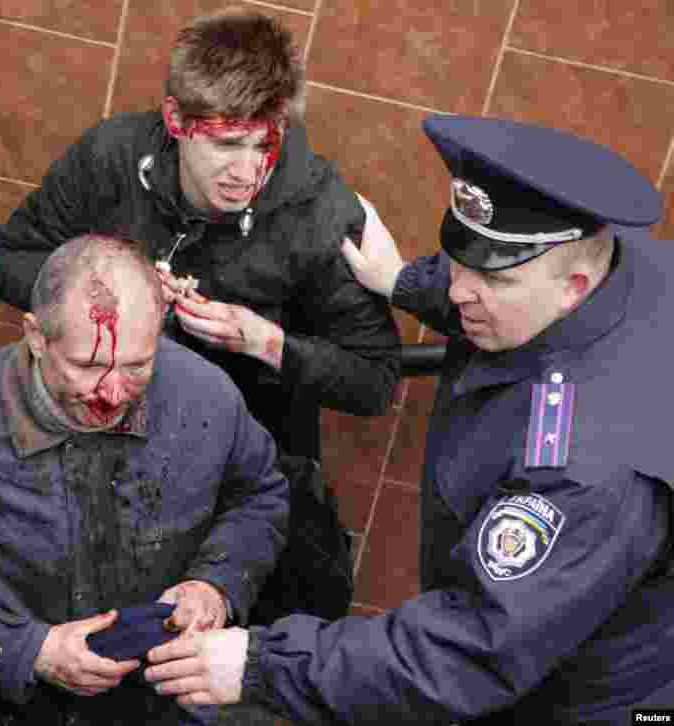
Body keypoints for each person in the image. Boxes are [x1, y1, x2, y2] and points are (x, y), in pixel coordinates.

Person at [142, 115, 674, 725]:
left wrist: (261, 663)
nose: (459, 291)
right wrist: (404, 282)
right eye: (459, 263)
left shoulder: (586, 469)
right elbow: (492, 277)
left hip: (580, 701)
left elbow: (471, 649)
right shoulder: (614, 265)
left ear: (573, 288)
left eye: (492, 278)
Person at [0, 6, 400, 626]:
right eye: (227, 143)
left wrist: (267, 343)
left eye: (265, 144)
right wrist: (107, 286)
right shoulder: (112, 157)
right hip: (99, 446)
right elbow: (10, 260)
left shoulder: (320, 214)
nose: (248, 170)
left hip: (240, 475)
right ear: (176, 121)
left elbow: (375, 381)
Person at [0, 234, 288, 726]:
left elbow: (259, 496)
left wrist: (215, 585)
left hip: (164, 703)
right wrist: (29, 650)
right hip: (4, 708)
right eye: (87, 365)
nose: (113, 393)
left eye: (138, 367)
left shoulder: (208, 396)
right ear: (36, 337)